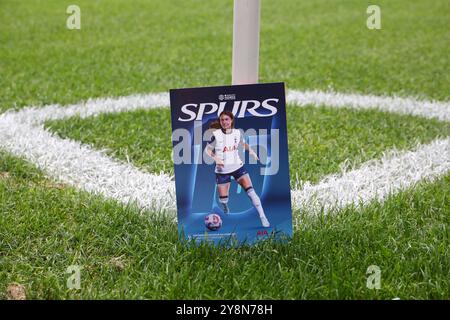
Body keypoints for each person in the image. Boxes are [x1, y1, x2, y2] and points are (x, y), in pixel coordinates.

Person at [204, 111, 270, 228]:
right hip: (222, 171)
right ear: (220, 121)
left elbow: (243, 144)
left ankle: (263, 217)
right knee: (223, 199)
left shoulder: (237, 133)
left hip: (238, 167)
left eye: (226, 119)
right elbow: (208, 150)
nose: (224, 122)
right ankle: (225, 205)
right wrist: (216, 158)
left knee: (251, 192)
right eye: (222, 120)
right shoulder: (216, 135)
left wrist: (252, 152)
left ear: (231, 120)